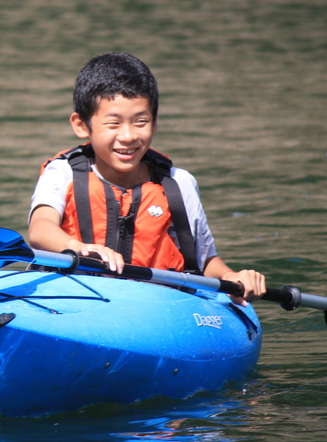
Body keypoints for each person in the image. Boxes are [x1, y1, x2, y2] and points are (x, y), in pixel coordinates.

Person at [28, 52, 265, 305]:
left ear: (154, 123)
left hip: (155, 307)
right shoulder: (63, 173)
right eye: (113, 123)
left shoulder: (177, 183)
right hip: (79, 298)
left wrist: (232, 276)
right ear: (81, 125)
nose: (129, 135)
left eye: (141, 122)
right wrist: (79, 247)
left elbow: (203, 261)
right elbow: (40, 230)